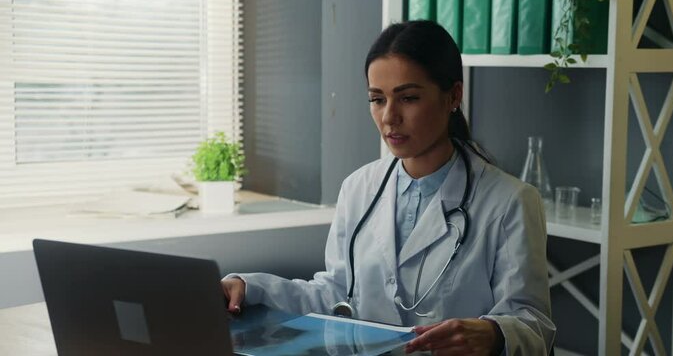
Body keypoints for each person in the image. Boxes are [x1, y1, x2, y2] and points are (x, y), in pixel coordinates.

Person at [223, 20, 556, 355]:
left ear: (453, 95)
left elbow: (533, 324)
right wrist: (250, 287)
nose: (389, 117)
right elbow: (336, 293)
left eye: (408, 98)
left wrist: (494, 333)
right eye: (377, 99)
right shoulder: (358, 188)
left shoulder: (510, 201)